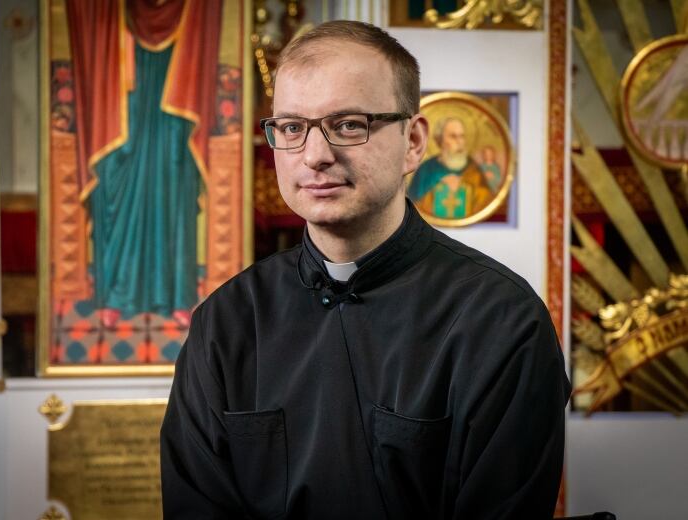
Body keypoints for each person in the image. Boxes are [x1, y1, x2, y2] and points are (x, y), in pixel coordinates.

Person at [161, 20, 570, 519]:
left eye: (348, 124)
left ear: (414, 142)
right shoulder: (224, 324)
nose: (315, 155)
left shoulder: (503, 322)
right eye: (291, 128)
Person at [407, 117, 494, 219]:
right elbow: (413, 205)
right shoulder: (426, 169)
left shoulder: (474, 168)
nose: (459, 142)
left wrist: (464, 185)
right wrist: (439, 186)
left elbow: (485, 202)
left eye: (462, 136)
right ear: (440, 140)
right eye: (453, 136)